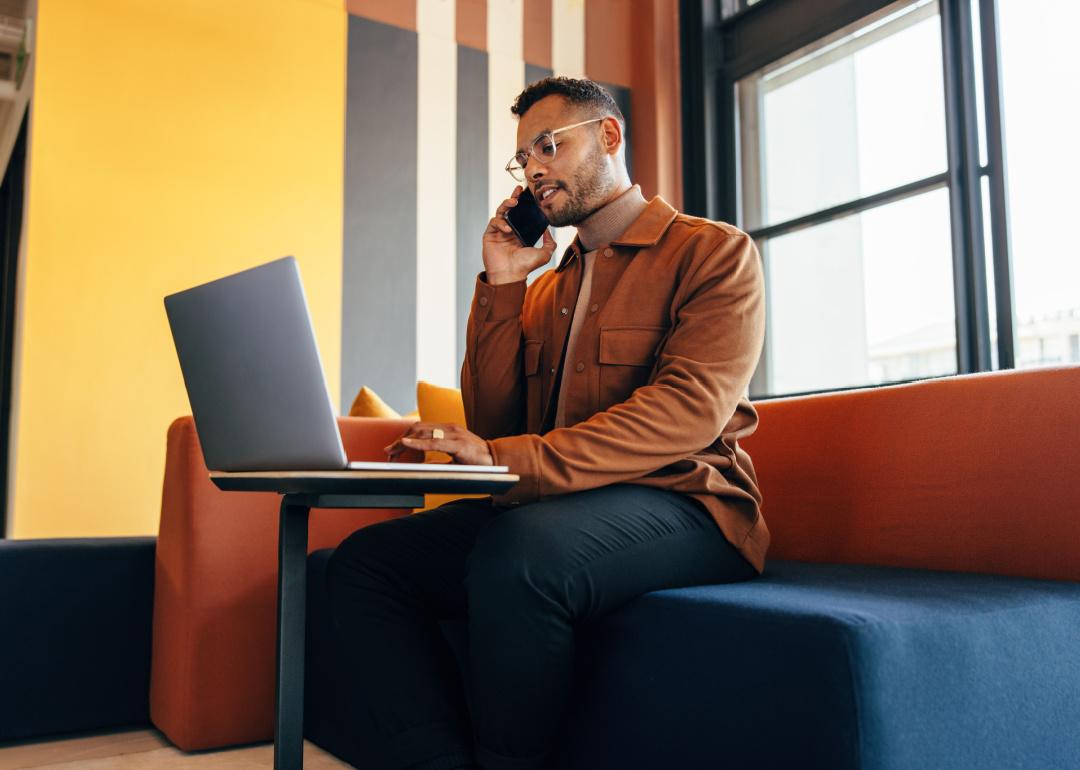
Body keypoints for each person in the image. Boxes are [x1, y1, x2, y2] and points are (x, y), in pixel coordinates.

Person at [327, 76, 769, 770]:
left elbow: (687, 411)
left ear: (609, 136)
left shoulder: (713, 253)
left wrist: (516, 463)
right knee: (363, 565)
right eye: (522, 158)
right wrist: (504, 285)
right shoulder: (549, 287)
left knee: (521, 553)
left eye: (549, 145)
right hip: (565, 508)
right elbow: (497, 420)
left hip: (687, 505)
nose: (533, 169)